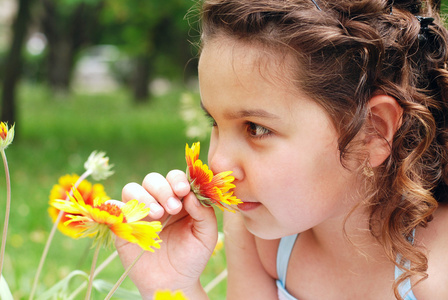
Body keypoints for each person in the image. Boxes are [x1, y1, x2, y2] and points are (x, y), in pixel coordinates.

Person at [116, 0, 448, 299]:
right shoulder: (262, 240)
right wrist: (171, 285)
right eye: (214, 122)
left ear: (373, 131)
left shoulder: (438, 273)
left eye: (256, 128)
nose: (216, 163)